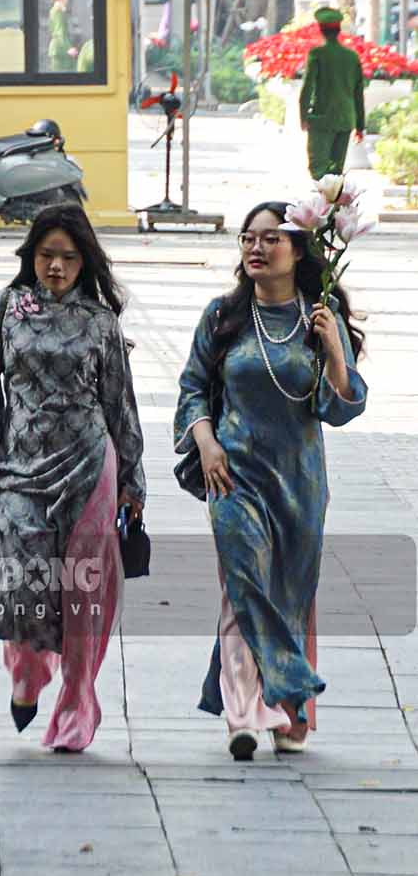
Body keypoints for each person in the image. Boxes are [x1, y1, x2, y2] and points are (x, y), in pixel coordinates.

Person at [174, 201, 367, 761]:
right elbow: (192, 388)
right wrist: (206, 442)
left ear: (299, 250)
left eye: (270, 239)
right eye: (247, 238)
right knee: (243, 585)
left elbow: (341, 408)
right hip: (232, 473)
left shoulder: (319, 318)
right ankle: (243, 714)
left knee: (289, 595)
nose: (255, 248)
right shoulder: (222, 316)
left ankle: (289, 709)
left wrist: (335, 352)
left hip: (299, 482)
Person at [0, 203, 145, 752]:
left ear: (85, 262)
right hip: (18, 467)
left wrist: (132, 480)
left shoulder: (101, 323)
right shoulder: (5, 309)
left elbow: (120, 403)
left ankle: (76, 708)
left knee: (83, 595)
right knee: (22, 584)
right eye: (46, 255)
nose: (56, 266)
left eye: (68, 257)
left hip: (89, 467)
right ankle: (28, 672)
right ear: (30, 256)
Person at [300, 6, 365, 179]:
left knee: (318, 168)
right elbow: (358, 93)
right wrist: (360, 126)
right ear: (339, 30)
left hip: (322, 119)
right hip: (345, 119)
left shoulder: (317, 54)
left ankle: (324, 196)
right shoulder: (352, 57)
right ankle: (333, 197)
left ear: (321, 30)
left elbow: (307, 88)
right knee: (336, 170)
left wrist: (303, 117)